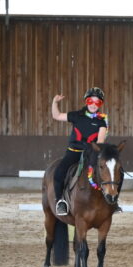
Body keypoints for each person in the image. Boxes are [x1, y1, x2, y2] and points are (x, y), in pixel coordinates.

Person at [50, 87, 109, 216]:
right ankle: (60, 201)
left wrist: (93, 153)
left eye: (97, 102)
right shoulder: (76, 115)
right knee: (59, 173)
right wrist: (55, 102)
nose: (93, 105)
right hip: (74, 152)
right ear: (86, 102)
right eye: (90, 101)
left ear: (101, 104)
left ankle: (111, 202)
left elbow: (100, 141)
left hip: (90, 153)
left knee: (108, 173)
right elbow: (57, 115)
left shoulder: (102, 121)